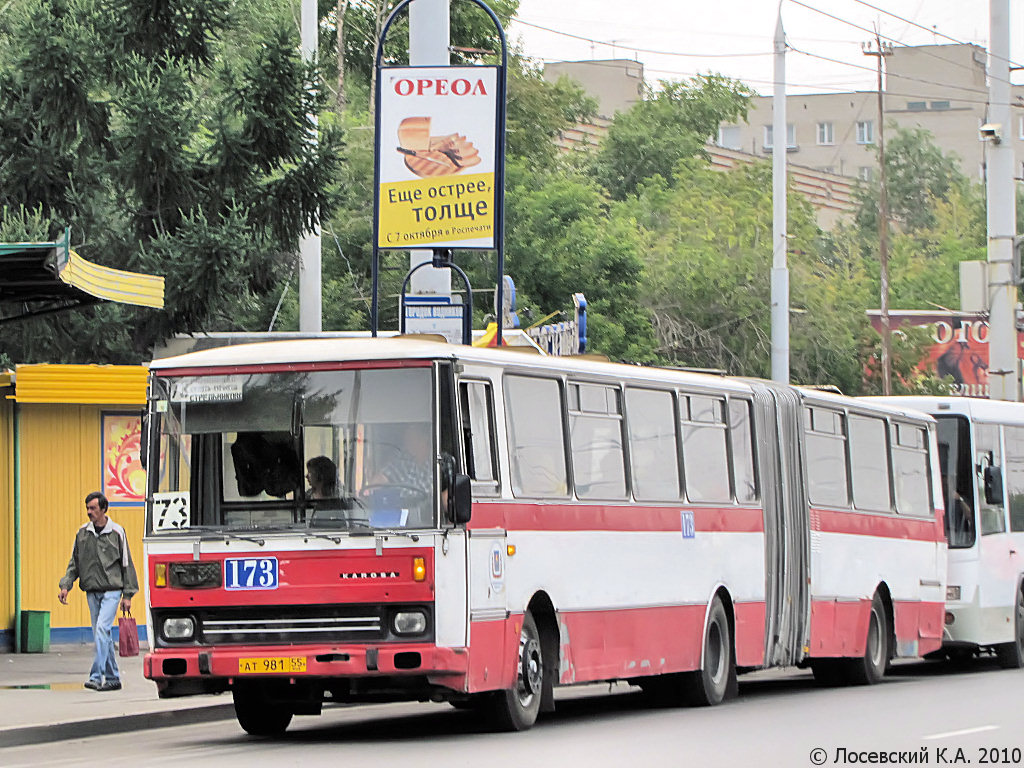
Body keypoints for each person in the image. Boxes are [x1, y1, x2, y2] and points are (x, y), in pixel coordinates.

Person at [58, 492, 139, 692]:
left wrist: (127, 595)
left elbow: (127, 564)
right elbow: (74, 563)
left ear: (104, 509)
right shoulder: (82, 534)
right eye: (87, 508)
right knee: (101, 635)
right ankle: (113, 678)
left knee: (102, 630)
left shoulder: (117, 532)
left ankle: (96, 676)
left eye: (93, 508)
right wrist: (65, 585)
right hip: (92, 592)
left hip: (112, 591)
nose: (89, 512)